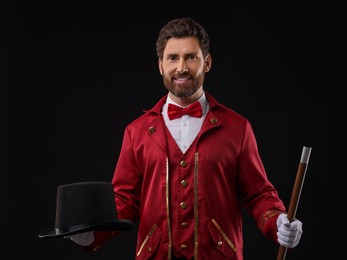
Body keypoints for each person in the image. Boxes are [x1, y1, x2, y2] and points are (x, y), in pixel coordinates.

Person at [66, 16, 303, 260]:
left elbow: (259, 194)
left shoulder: (237, 128)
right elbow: (125, 200)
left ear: (207, 62)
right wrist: (94, 234)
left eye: (191, 57)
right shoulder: (135, 132)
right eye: (173, 58)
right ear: (160, 65)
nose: (181, 67)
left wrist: (278, 222)